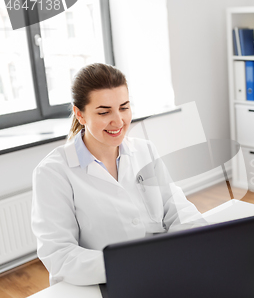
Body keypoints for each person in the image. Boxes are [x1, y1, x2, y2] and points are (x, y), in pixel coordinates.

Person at [31, 63, 206, 286]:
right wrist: (132, 265)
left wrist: (197, 241)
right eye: (104, 112)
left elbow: (177, 207)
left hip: (160, 274)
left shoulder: (145, 150)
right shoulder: (53, 172)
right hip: (99, 285)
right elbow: (60, 254)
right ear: (80, 114)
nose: (118, 121)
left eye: (124, 107)